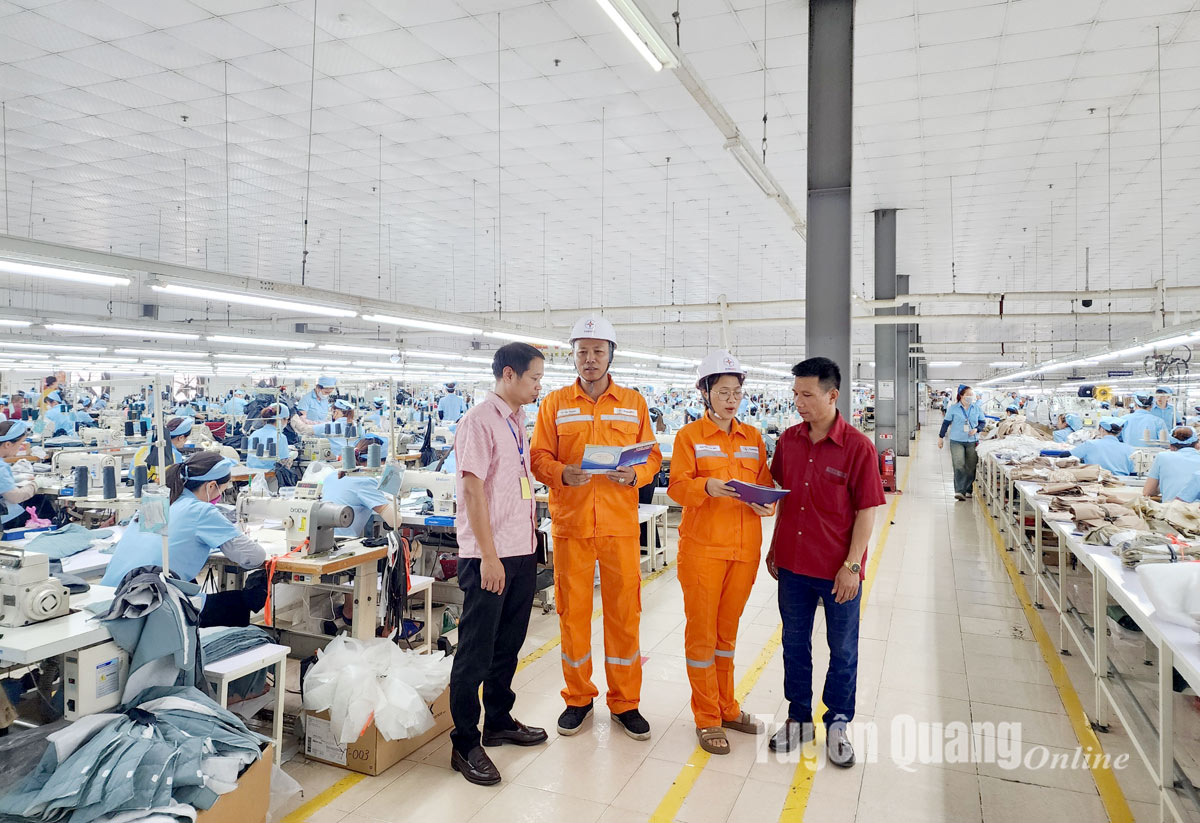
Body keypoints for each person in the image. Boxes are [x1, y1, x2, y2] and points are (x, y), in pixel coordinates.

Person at [531, 315, 662, 741]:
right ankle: (578, 698)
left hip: (619, 527)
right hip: (571, 527)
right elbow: (538, 458)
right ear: (572, 355)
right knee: (573, 616)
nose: (590, 360)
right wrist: (562, 474)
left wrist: (635, 476)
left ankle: (626, 702)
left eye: (598, 351)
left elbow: (652, 458)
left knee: (625, 614)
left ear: (611, 355)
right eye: (582, 352)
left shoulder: (633, 402)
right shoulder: (554, 403)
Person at [766, 357, 886, 768]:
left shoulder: (858, 447)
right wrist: (774, 546)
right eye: (795, 394)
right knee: (794, 645)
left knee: (843, 649)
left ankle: (837, 723)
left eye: (807, 395)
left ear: (832, 395)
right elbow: (783, 495)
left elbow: (867, 510)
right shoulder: (788, 441)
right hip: (794, 566)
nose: (798, 402)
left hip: (838, 570)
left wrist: (852, 565)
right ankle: (798, 718)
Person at [448, 342, 549, 786]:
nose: (538, 386)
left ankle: (499, 720)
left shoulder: (517, 420)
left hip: (520, 549)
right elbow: (472, 491)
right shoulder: (478, 421)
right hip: (490, 554)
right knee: (475, 652)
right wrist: (489, 556)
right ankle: (465, 742)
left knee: (508, 644)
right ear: (509, 375)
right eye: (533, 378)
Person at [667, 351, 773, 755]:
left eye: (737, 392)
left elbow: (764, 484)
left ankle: (728, 705)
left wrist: (768, 504)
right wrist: (705, 488)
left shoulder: (753, 438)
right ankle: (707, 716)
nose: (732, 400)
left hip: (744, 549)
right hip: (702, 551)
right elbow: (677, 486)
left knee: (726, 636)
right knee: (702, 635)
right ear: (706, 393)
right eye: (723, 392)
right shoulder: (689, 437)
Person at [102, 453, 268, 626]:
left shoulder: (157, 502)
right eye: (224, 489)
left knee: (188, 584)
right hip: (145, 604)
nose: (222, 494)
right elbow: (254, 557)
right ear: (212, 486)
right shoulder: (201, 511)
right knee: (239, 603)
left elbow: (157, 542)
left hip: (110, 594)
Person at [938, 385, 985, 500]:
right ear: (961, 395)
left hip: (972, 441)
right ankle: (959, 491)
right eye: (968, 394)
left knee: (971, 466)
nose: (970, 397)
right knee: (959, 464)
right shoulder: (953, 408)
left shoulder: (976, 408)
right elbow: (946, 423)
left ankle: (968, 489)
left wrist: (977, 429)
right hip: (956, 440)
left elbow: (982, 422)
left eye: (971, 395)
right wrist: (941, 437)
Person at [0, 420, 46, 528]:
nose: (20, 448)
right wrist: (36, 484)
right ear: (7, 444)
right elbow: (15, 497)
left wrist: (14, 479)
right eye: (20, 444)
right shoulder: (1, 467)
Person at [1143, 427, 1200, 501]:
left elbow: (1148, 492)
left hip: (1171, 510)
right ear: (1197, 445)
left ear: (1171, 447)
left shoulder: (1162, 457)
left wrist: (1164, 487)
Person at [1070, 418, 1136, 475]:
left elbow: (1069, 455)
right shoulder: (1129, 449)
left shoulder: (1090, 444)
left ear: (1101, 429)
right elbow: (1133, 472)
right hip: (1122, 483)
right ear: (1119, 432)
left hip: (1096, 483)